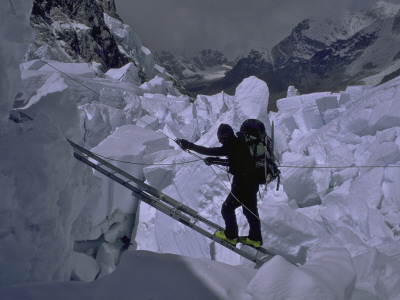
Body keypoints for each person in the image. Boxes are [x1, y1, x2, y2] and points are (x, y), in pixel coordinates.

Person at [176, 123, 263, 248]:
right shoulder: (239, 143)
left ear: (224, 136)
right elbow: (234, 161)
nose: (221, 139)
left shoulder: (231, 145)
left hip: (242, 185)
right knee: (250, 211)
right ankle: (255, 238)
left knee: (227, 209)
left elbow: (208, 151)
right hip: (252, 183)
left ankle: (231, 236)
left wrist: (189, 145)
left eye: (221, 136)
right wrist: (215, 160)